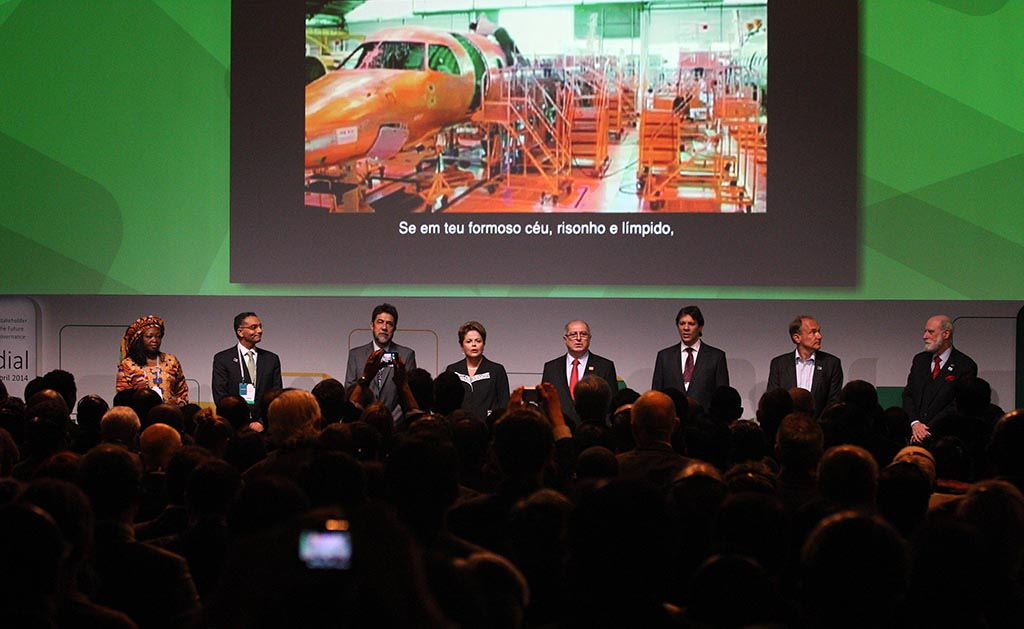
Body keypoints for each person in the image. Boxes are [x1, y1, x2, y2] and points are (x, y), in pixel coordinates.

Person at [902, 314, 977, 444]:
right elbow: (909, 395)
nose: (925, 336)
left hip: (944, 439)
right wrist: (915, 424)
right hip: (914, 436)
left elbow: (957, 405)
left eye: (930, 332)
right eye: (925, 331)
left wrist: (927, 430)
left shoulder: (965, 365)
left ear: (946, 334)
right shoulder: (919, 360)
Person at [345, 303, 416, 424]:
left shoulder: (406, 355)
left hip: (395, 428)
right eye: (380, 322)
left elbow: (408, 394)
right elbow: (350, 390)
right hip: (361, 426)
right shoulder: (355, 354)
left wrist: (390, 422)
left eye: (389, 323)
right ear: (372, 326)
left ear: (394, 328)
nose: (384, 327)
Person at [541, 320, 618, 426]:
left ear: (589, 338)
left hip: (593, 431)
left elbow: (611, 404)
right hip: (559, 429)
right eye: (573, 334)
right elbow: (545, 402)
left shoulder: (605, 366)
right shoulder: (551, 367)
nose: (578, 338)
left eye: (583, 334)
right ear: (565, 339)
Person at [651, 305, 728, 409]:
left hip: (704, 421)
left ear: (700, 327)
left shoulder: (716, 357)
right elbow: (656, 394)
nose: (686, 328)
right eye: (682, 323)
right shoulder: (664, 356)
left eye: (691, 324)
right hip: (672, 420)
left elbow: (723, 396)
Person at [766, 315, 843, 418]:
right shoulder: (779, 364)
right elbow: (773, 400)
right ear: (797, 337)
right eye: (813, 332)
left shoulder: (831, 363)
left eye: (819, 331)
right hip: (787, 428)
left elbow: (834, 402)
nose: (819, 336)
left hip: (819, 430)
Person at [212, 312, 282, 420]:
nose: (259, 330)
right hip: (235, 426)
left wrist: (261, 422)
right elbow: (220, 396)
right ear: (240, 332)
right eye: (254, 327)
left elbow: (276, 395)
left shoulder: (271, 359)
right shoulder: (222, 359)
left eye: (260, 326)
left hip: (264, 426)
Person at [115, 315, 188, 406]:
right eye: (149, 337)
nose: (155, 340)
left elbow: (182, 393)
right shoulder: (128, 364)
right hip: (140, 417)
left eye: (158, 336)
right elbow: (122, 399)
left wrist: (175, 403)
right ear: (139, 339)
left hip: (168, 416)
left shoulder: (170, 361)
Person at [445, 321, 509, 423]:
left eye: (478, 341)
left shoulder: (497, 370)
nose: (474, 345)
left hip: (488, 428)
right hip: (458, 428)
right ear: (462, 345)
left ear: (484, 344)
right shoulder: (453, 370)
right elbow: (446, 404)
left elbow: (504, 403)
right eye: (469, 341)